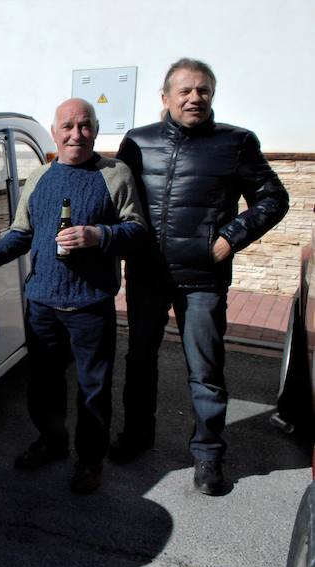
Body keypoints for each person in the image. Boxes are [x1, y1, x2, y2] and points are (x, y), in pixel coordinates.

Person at [112, 58, 289, 496]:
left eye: (203, 91)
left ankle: (208, 454)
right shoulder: (137, 142)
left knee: (205, 367)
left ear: (212, 95)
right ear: (165, 97)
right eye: (186, 91)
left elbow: (273, 198)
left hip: (202, 280)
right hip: (147, 275)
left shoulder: (236, 143)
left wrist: (231, 237)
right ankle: (137, 435)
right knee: (139, 360)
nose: (195, 98)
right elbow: (118, 199)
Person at [0, 98, 146, 494]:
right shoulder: (40, 177)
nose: (76, 134)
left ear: (95, 129)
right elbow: (20, 234)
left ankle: (90, 460)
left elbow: (137, 232)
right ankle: (52, 442)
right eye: (67, 126)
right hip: (42, 301)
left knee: (93, 388)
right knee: (44, 384)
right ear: (55, 130)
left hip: (91, 304)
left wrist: (99, 235)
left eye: (85, 126)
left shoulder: (116, 175)